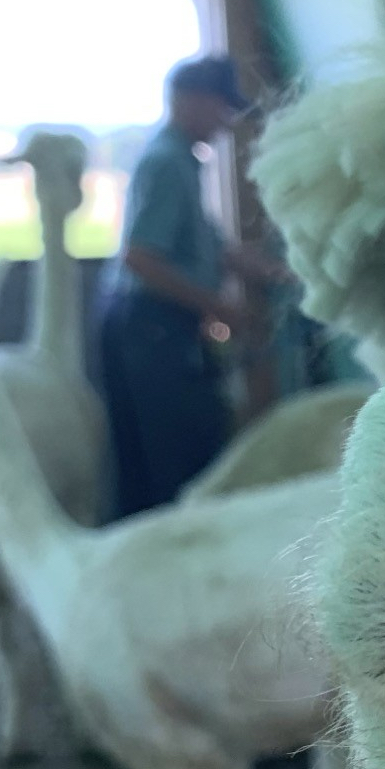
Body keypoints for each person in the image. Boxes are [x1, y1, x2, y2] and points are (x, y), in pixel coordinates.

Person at [99, 56, 281, 516]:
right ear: (192, 100)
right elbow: (141, 258)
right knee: (175, 454)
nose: (226, 124)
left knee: (185, 444)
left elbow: (212, 247)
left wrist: (281, 272)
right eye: (222, 108)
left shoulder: (183, 162)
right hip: (150, 328)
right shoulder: (165, 164)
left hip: (159, 326)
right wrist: (221, 307)